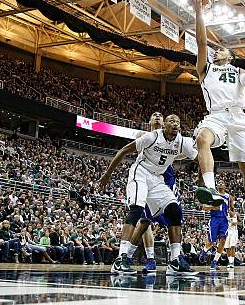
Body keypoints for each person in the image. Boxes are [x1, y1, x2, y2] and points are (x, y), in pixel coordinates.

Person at [190, 0, 245, 235]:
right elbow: (200, 41)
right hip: (216, 116)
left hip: (239, 117)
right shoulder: (206, 69)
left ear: (230, 56)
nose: (217, 50)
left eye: (222, 50)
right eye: (215, 49)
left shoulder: (239, 71)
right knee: (201, 139)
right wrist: (199, 9)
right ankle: (210, 188)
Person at [99, 114, 198, 276]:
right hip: (141, 173)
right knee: (137, 210)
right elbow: (124, 150)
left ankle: (174, 261)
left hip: (158, 178)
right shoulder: (151, 137)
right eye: (171, 121)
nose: (175, 124)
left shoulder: (182, 141)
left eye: (178, 122)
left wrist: (204, 181)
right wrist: (108, 174)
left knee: (175, 211)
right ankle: (121, 258)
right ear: (164, 125)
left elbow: (200, 158)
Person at [125, 111, 181, 274]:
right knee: (144, 220)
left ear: (165, 122)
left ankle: (176, 258)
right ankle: (142, 258)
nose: (157, 116)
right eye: (154, 115)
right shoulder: (144, 135)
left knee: (175, 215)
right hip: (147, 176)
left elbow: (178, 153)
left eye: (160, 115)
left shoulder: (172, 137)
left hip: (166, 177)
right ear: (149, 121)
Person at [200, 182, 232, 271]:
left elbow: (232, 209)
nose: (221, 184)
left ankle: (214, 262)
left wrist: (233, 216)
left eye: (222, 183)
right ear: (217, 186)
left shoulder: (229, 197)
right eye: (219, 183)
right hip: (214, 219)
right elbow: (203, 207)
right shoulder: (212, 194)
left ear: (225, 186)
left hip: (224, 220)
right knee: (212, 241)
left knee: (223, 240)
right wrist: (213, 207)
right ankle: (204, 251)